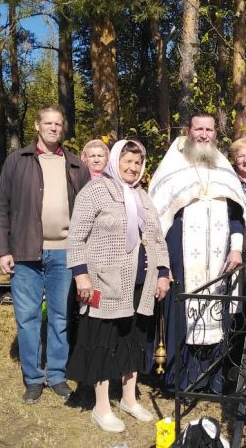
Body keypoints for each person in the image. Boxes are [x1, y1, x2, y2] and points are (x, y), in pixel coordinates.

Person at [148, 112, 246, 394]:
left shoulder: (223, 167)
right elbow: (158, 215)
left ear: (215, 133)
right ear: (189, 131)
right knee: (182, 317)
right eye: (199, 129)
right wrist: (163, 263)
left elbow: (237, 214)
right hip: (182, 259)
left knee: (217, 317)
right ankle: (179, 382)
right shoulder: (172, 165)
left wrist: (236, 248)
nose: (204, 134)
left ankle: (213, 381)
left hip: (220, 260)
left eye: (209, 129)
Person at [65, 140, 170, 432]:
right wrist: (81, 275)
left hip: (139, 285)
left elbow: (156, 238)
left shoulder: (143, 198)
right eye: (127, 161)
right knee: (102, 340)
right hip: (104, 282)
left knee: (133, 340)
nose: (133, 167)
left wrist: (163, 271)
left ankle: (128, 399)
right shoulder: (97, 190)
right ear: (115, 161)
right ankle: (101, 407)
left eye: (137, 162)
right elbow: (76, 237)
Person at [0, 105, 90, 403]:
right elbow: (1, 209)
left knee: (60, 317)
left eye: (58, 124)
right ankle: (33, 378)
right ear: (37, 126)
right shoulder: (17, 161)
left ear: (63, 128)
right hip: (25, 253)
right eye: (48, 123)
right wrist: (2, 250)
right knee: (28, 317)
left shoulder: (76, 165)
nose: (53, 128)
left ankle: (57, 375)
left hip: (65, 254)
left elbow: (88, 213)